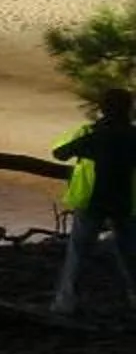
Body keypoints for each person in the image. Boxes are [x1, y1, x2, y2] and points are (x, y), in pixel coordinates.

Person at [53, 87, 136, 320]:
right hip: (124, 202)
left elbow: (60, 152)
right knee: (130, 253)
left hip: (93, 202)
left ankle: (66, 303)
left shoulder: (93, 134)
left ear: (101, 109)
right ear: (129, 109)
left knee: (78, 252)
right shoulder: (132, 136)